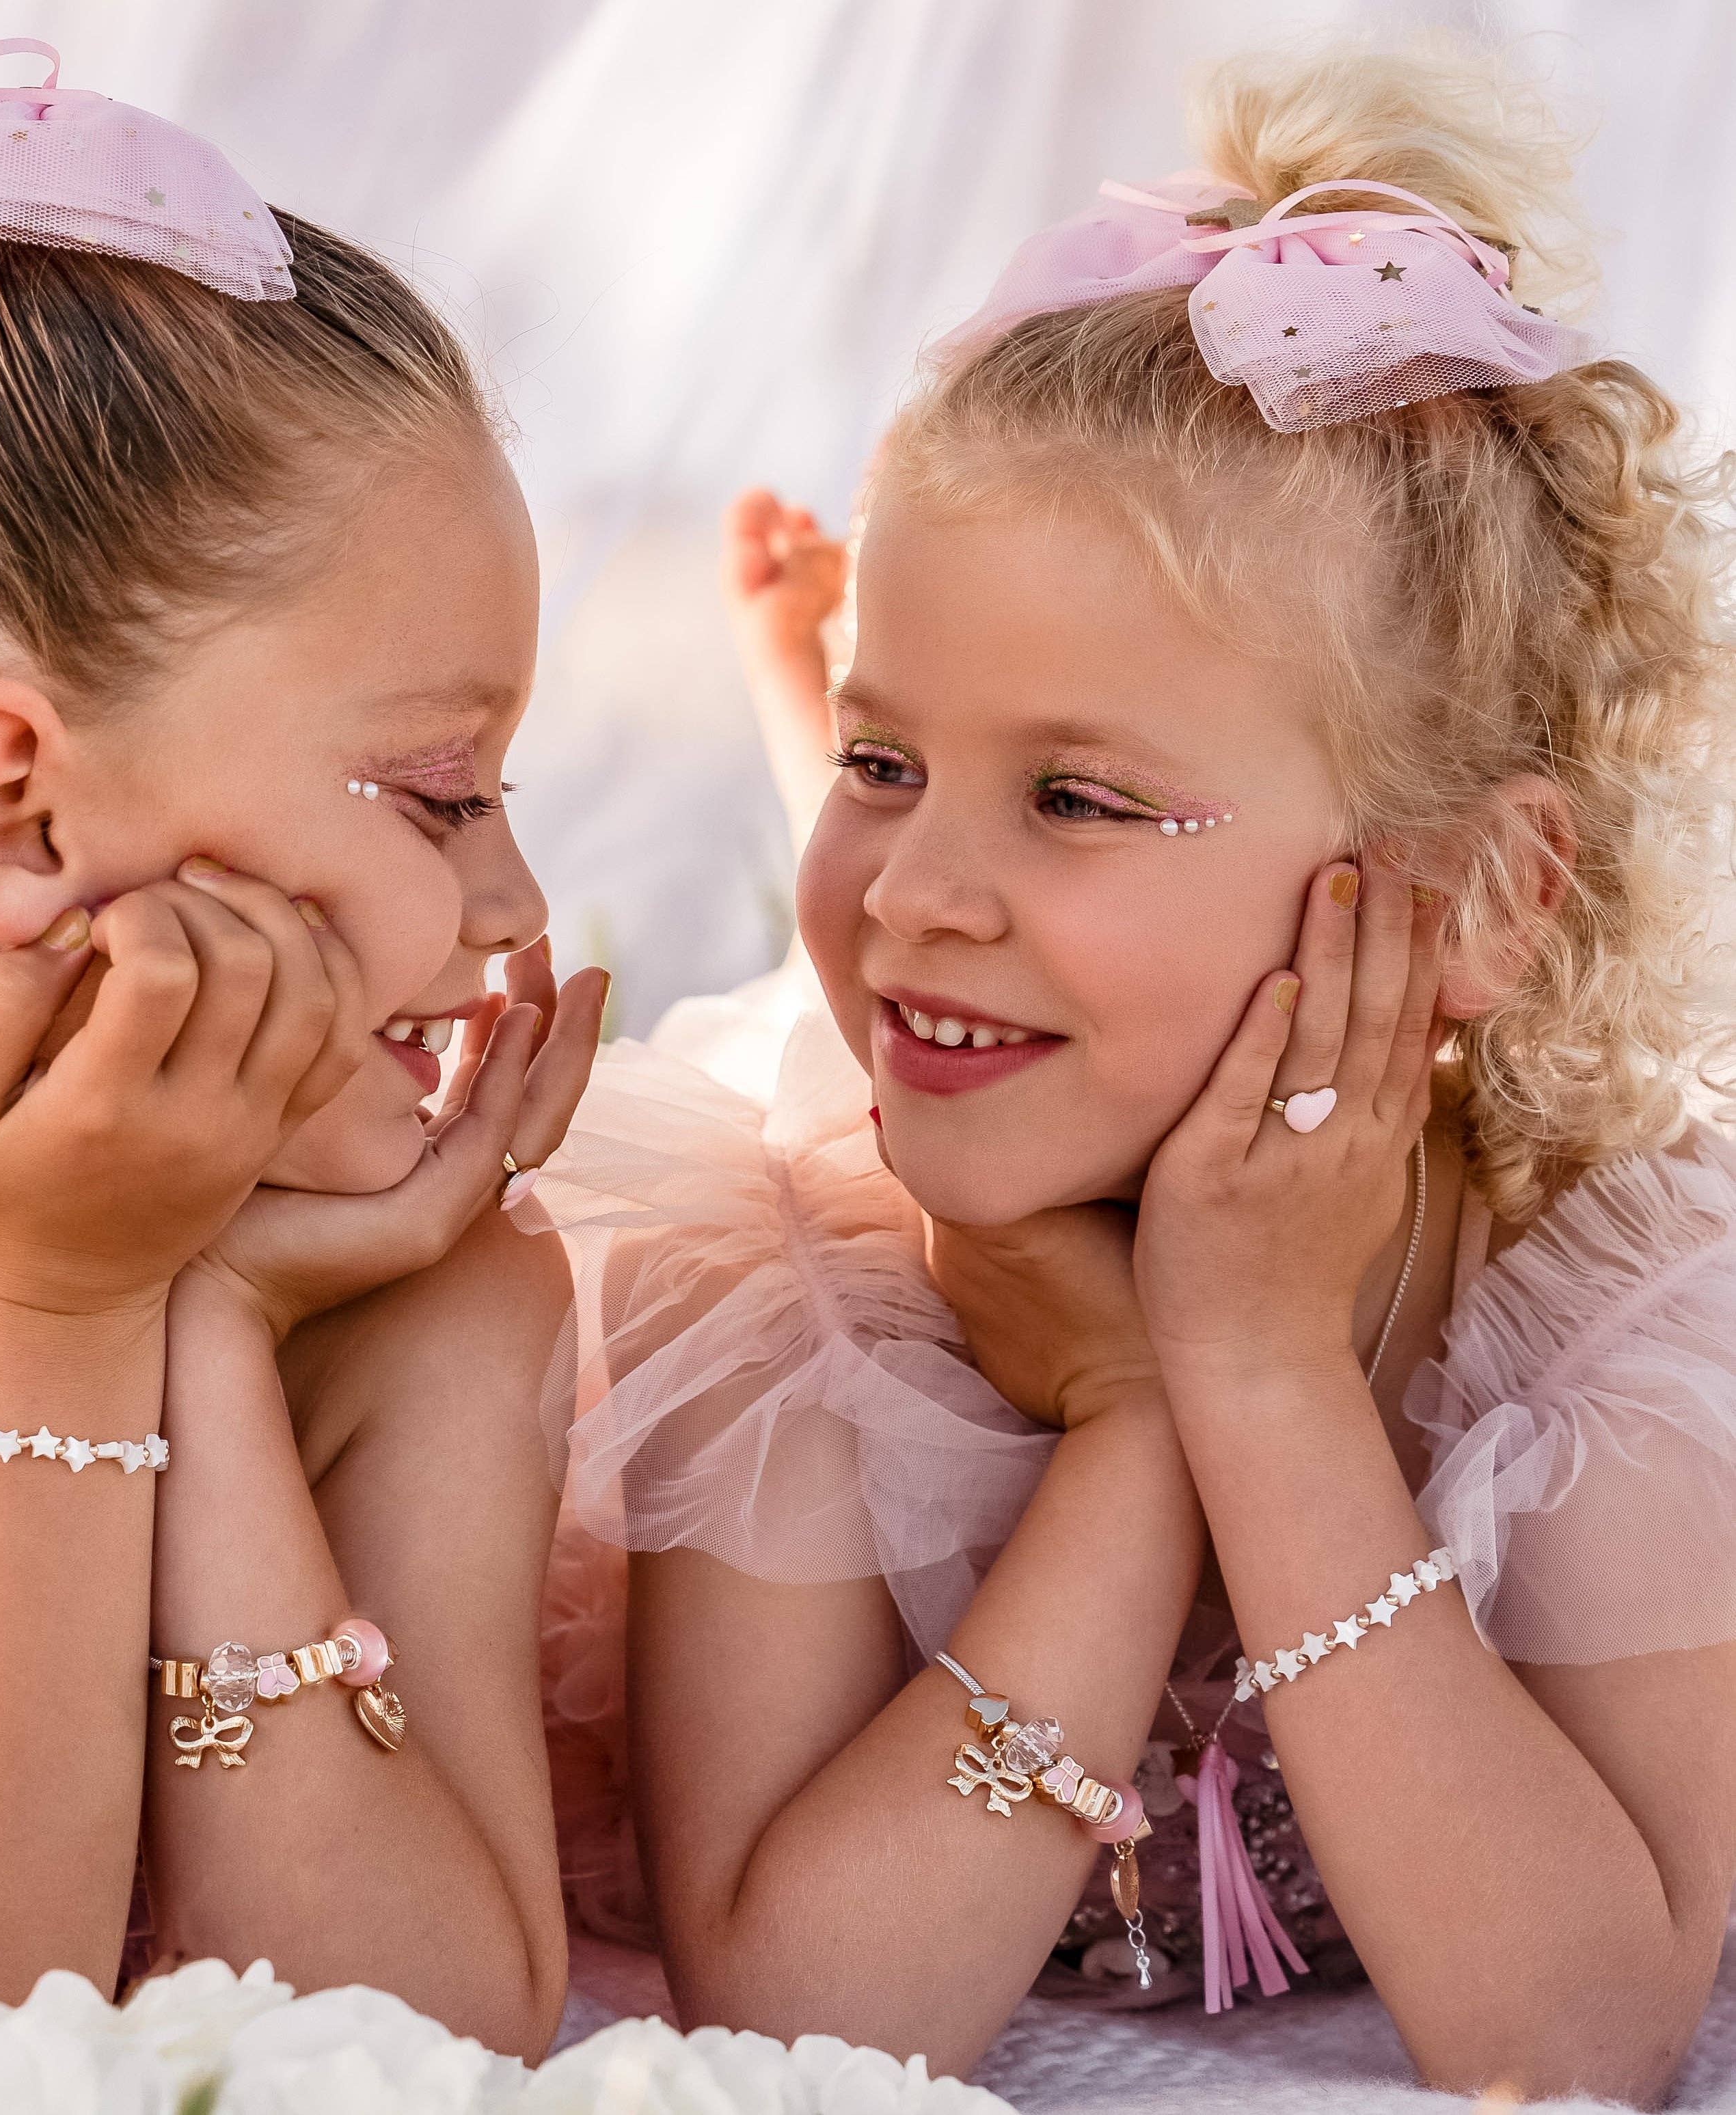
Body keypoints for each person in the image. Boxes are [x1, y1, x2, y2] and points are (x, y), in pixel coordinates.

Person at [518, 44, 1736, 2102]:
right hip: (979, 1107)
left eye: (1080, 793)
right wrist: (1136, 1415)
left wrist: (1265, 1376)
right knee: (884, 981)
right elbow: (808, 2027)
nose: (916, 897)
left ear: (1474, 900)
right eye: (884, 765)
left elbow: (1583, 2038)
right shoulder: (781, 1289)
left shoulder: (1623, 1328)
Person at [0, 24, 599, 2054]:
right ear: (20, 823)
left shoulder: (426, 1294)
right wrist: (67, 1314)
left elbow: (440, 2027)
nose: (513, 910)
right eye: (438, 789)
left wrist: (212, 1336)